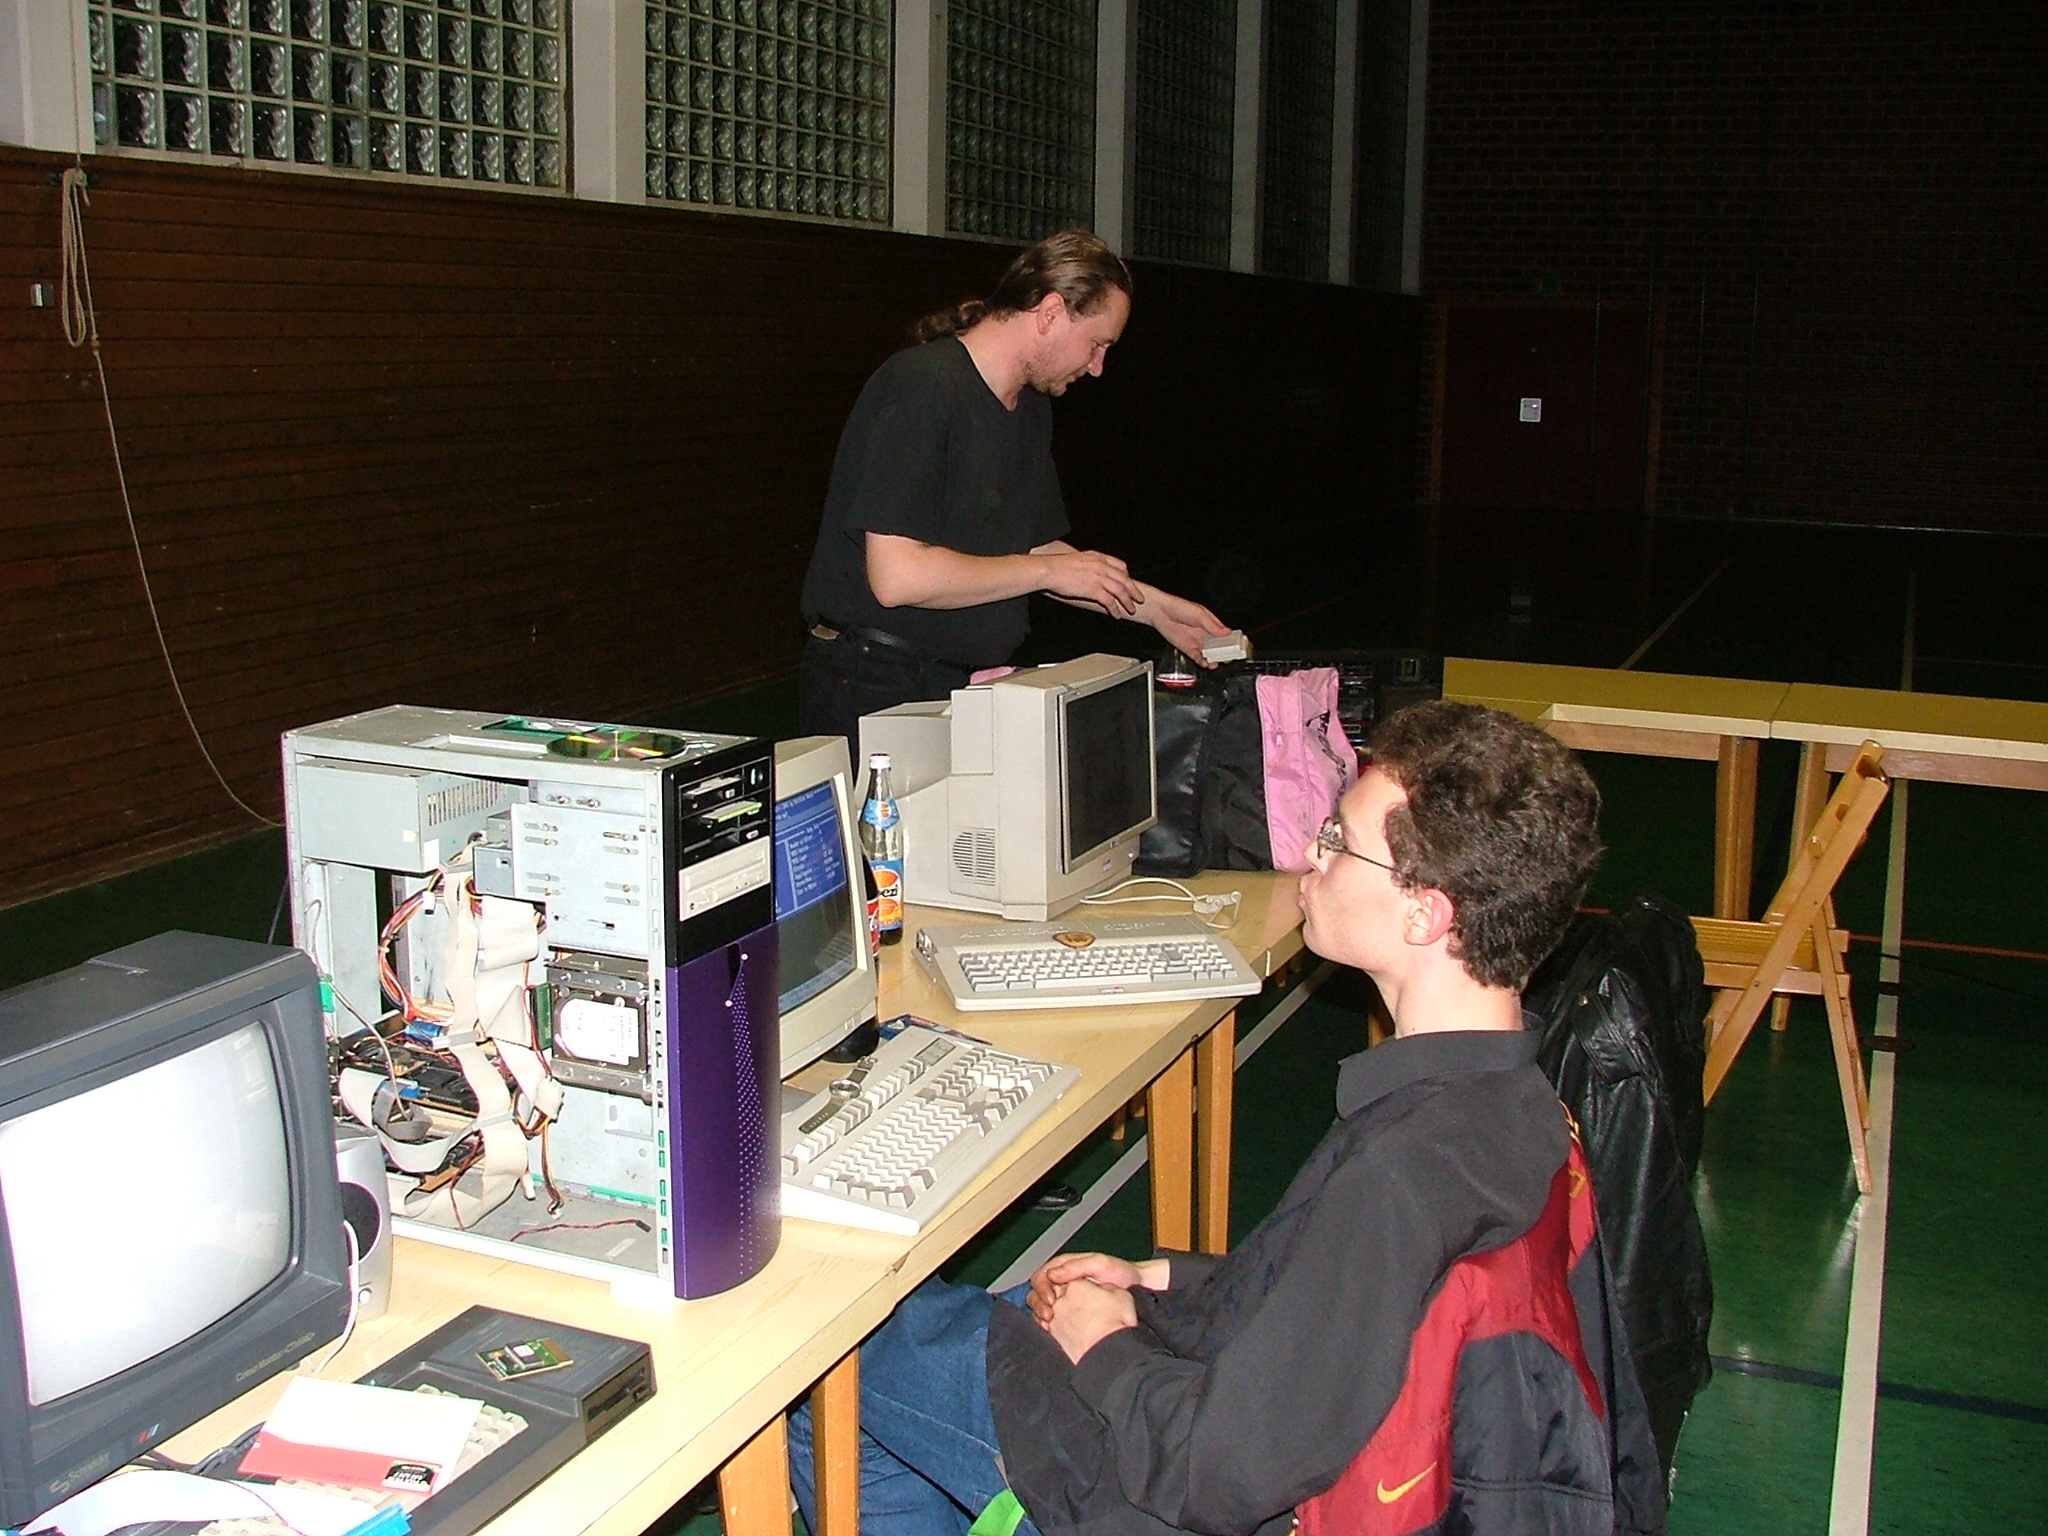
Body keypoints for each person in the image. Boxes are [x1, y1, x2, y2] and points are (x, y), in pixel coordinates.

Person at [787, 700, 1668, 1536]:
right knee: (1000, 1309)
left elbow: (1220, 1470)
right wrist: (1162, 1280)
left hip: (1164, 1488)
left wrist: (1106, 1346)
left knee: (831, 1355)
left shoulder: (1401, 1175)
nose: (1312, 853)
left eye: (1339, 842)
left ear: (1423, 913)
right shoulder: (1517, 1105)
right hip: (1242, 1423)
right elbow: (1343, 1315)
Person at [796, 229, 1230, 744]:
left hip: (961, 682)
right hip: (875, 685)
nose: (1097, 367)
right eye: (1097, 344)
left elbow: (1033, 549)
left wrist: (1157, 611)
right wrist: (1049, 570)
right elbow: (898, 577)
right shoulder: (923, 386)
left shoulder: (1029, 409)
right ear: (1050, 313)